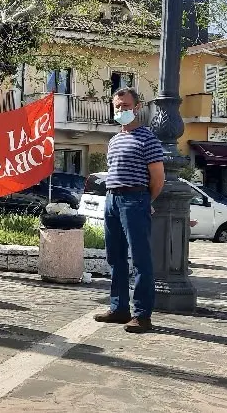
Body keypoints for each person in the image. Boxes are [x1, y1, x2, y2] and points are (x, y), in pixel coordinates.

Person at [93, 87, 165, 334]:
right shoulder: (114, 140)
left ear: (136, 107)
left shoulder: (147, 138)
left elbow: (158, 178)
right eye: (117, 106)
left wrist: (145, 200)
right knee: (115, 257)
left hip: (135, 198)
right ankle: (119, 308)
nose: (121, 109)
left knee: (140, 259)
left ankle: (142, 315)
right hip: (112, 199)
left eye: (125, 105)